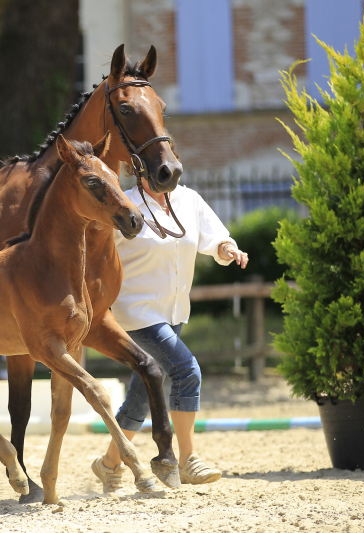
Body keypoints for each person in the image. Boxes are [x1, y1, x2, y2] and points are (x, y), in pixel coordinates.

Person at [91, 175, 249, 494]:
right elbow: (96, 253)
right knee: (186, 371)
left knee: (141, 396)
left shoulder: (189, 200)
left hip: (173, 310)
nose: (165, 176)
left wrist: (227, 247)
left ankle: (108, 463)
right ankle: (188, 460)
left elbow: (214, 235)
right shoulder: (125, 203)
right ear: (141, 170)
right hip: (136, 312)